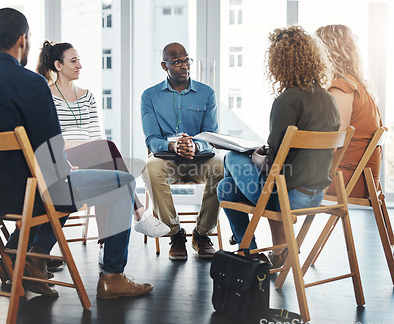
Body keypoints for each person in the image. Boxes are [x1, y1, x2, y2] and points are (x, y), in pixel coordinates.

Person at [0, 7, 153, 299]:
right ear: (22, 40)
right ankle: (112, 276)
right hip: (31, 194)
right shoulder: (31, 83)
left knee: (60, 183)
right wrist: (71, 176)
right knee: (122, 182)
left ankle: (25, 258)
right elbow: (51, 153)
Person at [217, 26, 340, 268]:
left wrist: (256, 157)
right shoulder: (329, 99)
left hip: (287, 197)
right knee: (225, 188)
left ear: (278, 63)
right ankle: (250, 253)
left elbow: (272, 164)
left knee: (231, 158)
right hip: (316, 195)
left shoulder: (286, 100)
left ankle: (250, 256)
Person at [36, 41, 169, 238]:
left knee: (110, 170)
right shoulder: (46, 95)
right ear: (58, 66)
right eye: (73, 61)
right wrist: (89, 147)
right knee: (106, 151)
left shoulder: (87, 96)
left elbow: (95, 135)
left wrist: (93, 148)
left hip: (90, 155)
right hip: (65, 159)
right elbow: (56, 140)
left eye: (79, 60)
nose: (79, 65)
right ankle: (139, 213)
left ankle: (105, 245)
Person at [141, 42, 224, 261]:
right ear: (164, 65)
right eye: (177, 62)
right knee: (149, 168)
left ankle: (202, 234)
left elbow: (211, 135)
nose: (184, 66)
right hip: (167, 158)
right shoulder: (149, 96)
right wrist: (173, 146)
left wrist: (195, 146)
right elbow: (151, 139)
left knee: (222, 167)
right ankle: (175, 234)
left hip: (200, 159)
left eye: (187, 60)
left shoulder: (206, 93)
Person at [315, 24, 383, 198]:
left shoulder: (341, 89)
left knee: (273, 177)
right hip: (362, 180)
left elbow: (334, 144)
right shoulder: (359, 88)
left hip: (344, 181)